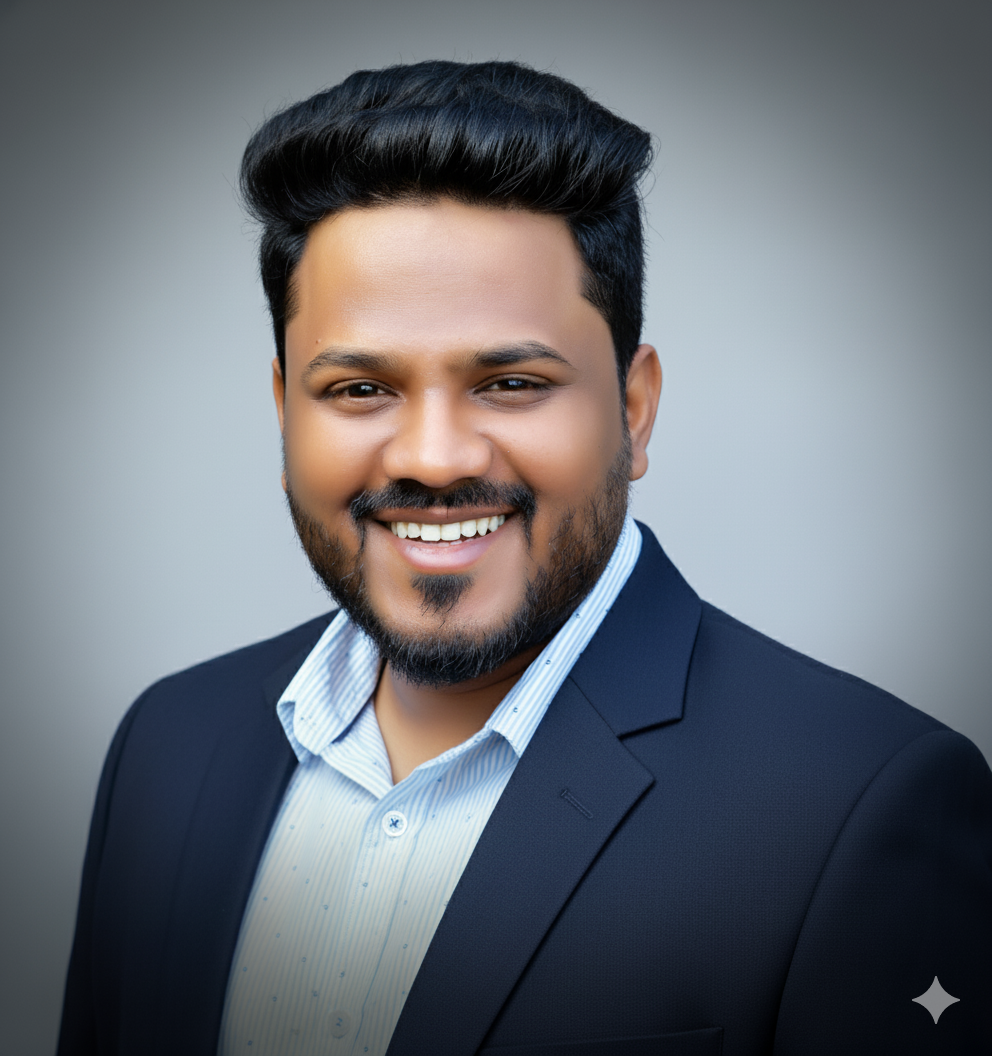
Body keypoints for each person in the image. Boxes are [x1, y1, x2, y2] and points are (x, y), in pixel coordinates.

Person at [57, 60, 991, 1056]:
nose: (431, 458)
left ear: (632, 411)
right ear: (282, 407)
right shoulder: (166, 748)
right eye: (358, 389)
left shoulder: (857, 802)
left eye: (508, 382)